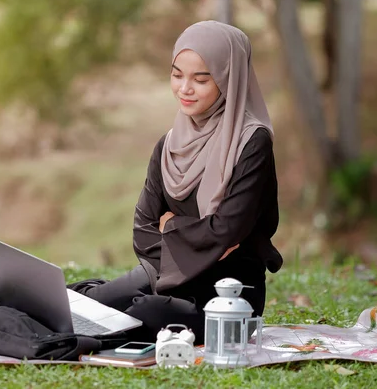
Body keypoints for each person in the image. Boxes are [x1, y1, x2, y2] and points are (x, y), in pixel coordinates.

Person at [68, 21, 282, 344]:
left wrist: (170, 227)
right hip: (163, 276)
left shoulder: (252, 143)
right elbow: (143, 230)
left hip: (227, 296)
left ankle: (136, 304)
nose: (185, 88)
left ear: (228, 79)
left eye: (201, 79)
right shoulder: (168, 146)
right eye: (177, 74)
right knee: (81, 306)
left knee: (139, 315)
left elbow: (228, 230)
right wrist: (201, 236)